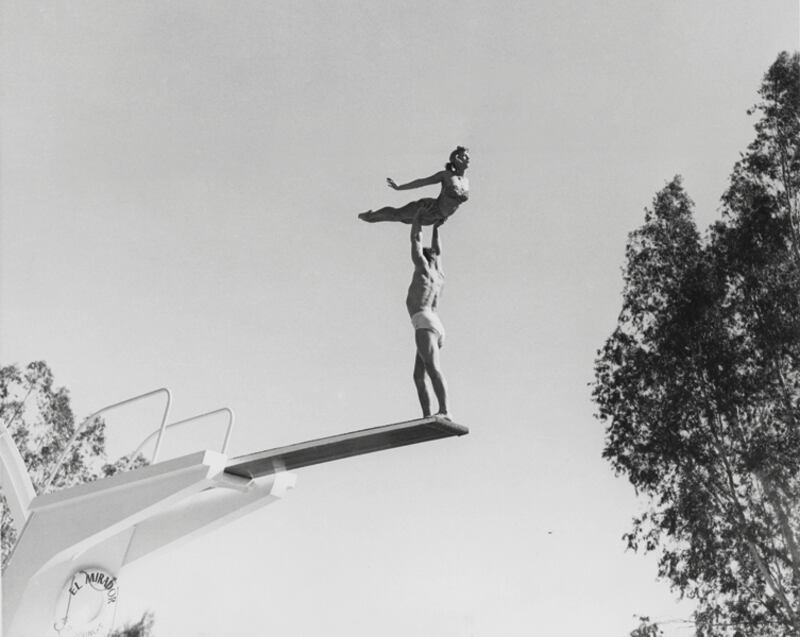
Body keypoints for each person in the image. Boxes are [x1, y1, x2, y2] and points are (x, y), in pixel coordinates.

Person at [407, 211, 451, 419]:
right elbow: (439, 252)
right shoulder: (439, 274)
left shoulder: (422, 269)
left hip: (424, 322)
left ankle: (444, 410)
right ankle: (426, 415)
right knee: (418, 376)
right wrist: (436, 227)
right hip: (435, 324)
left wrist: (417, 219)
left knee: (433, 369)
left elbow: (416, 239)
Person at [358, 146, 470, 225]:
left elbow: (455, 203)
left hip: (436, 217)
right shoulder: (446, 175)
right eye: (465, 156)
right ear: (457, 159)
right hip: (429, 208)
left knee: (404, 220)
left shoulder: (466, 182)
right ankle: (370, 216)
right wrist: (399, 187)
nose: (468, 158)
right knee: (397, 215)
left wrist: (445, 216)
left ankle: (373, 217)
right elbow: (422, 182)